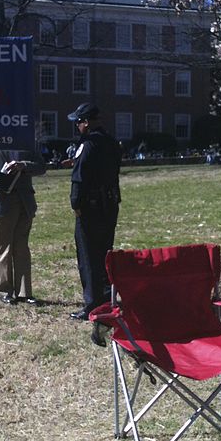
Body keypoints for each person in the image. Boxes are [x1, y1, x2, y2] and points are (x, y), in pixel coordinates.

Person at [65, 102, 121, 321]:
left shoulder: (87, 144)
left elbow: (80, 178)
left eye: (78, 122)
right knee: (105, 251)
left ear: (86, 123)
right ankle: (108, 297)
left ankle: (91, 304)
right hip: (109, 204)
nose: (77, 126)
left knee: (88, 256)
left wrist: (75, 204)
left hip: (91, 207)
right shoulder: (111, 142)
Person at [0, 148, 46, 305]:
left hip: (24, 200)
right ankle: (4, 291)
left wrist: (23, 165)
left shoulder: (26, 137)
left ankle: (24, 292)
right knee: (2, 248)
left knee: (22, 248)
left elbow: (41, 166)